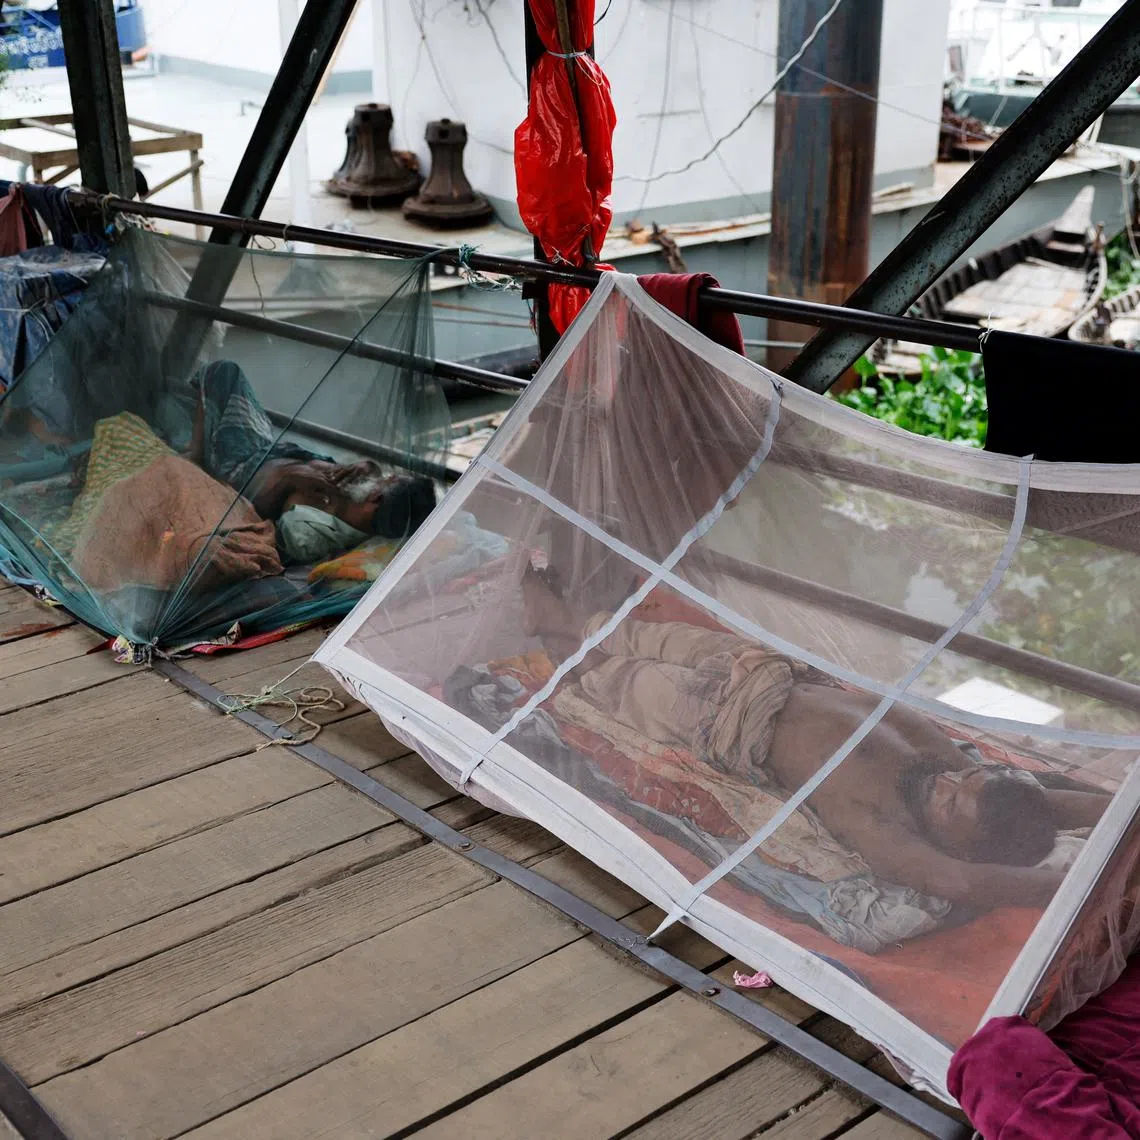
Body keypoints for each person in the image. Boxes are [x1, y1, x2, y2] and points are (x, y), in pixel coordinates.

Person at [520, 564, 1111, 912]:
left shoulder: (885, 826)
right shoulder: (943, 766)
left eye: (953, 804)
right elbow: (1041, 803)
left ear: (956, 842)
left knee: (620, 680)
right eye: (965, 777)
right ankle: (572, 622)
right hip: (768, 672)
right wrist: (1122, 812)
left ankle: (560, 643)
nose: (948, 782)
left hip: (723, 723)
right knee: (660, 638)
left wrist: (1074, 889)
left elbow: (955, 881)